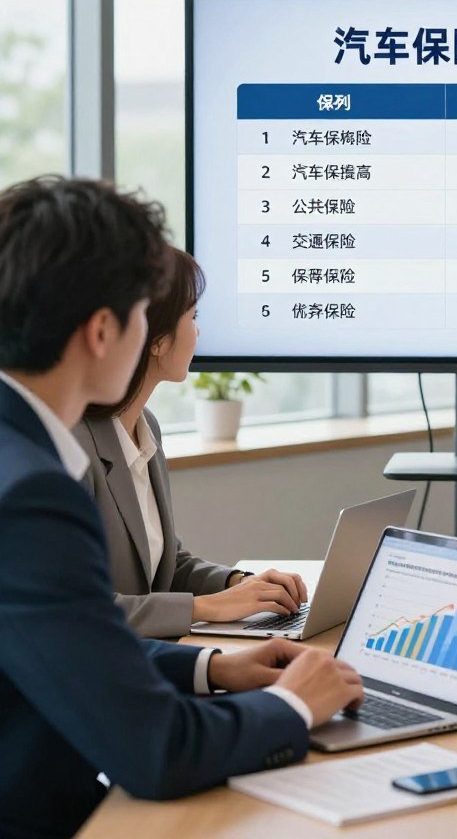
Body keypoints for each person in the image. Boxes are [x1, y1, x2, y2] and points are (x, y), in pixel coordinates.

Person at [0, 177, 363, 839]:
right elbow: (156, 749)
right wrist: (290, 707)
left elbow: (67, 647)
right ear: (104, 330)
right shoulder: (29, 495)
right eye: (145, 311)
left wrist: (212, 666)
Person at [74, 247, 307, 639]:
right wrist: (205, 608)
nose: (199, 331)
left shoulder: (145, 426)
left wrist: (239, 583)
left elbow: (168, 565)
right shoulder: (74, 446)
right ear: (157, 340)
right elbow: (77, 609)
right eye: (193, 317)